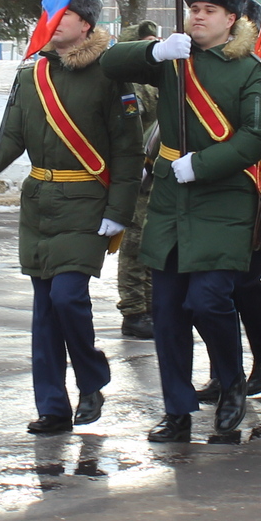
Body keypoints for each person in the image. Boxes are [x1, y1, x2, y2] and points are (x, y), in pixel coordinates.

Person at [103, 0, 261, 442]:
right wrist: (154, 52)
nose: (197, 17)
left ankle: (232, 380)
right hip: (169, 202)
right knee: (167, 312)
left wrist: (202, 164)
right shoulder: (173, 58)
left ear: (232, 19)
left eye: (208, 11)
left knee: (207, 300)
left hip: (221, 200)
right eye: (193, 9)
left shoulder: (252, 72)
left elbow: (259, 136)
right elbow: (108, 62)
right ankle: (177, 409)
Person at [0, 0, 143, 435]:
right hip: (40, 204)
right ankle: (52, 406)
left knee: (68, 297)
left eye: (65, 14)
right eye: (51, 13)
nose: (55, 20)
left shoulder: (109, 74)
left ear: (86, 24)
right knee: (45, 309)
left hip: (87, 202)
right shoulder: (31, 76)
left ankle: (91, 379)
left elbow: (128, 149)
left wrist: (119, 209)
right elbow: (10, 134)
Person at [193, 0, 261, 405]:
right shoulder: (212, 63)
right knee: (212, 291)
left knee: (242, 283)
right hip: (215, 190)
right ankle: (222, 370)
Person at [113, 20, 161, 339]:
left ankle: (152, 307)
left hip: (159, 172)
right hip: (137, 172)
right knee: (133, 244)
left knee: (153, 242)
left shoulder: (159, 80)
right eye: (148, 42)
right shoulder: (127, 85)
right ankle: (133, 311)